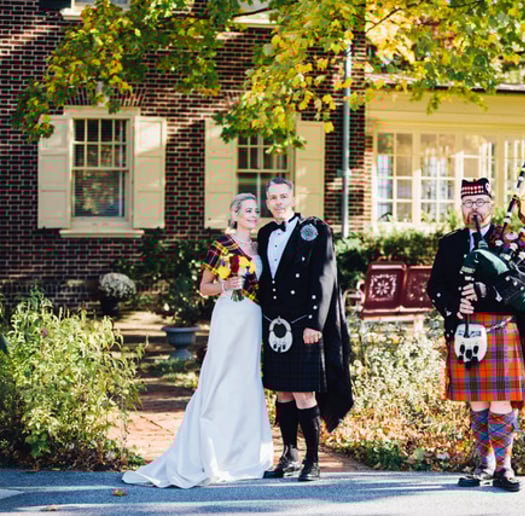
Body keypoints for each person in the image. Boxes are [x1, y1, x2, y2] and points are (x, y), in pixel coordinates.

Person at [122, 193, 273, 488]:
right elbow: (204, 287)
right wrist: (224, 285)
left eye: (256, 211)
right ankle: (211, 449)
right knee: (221, 376)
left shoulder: (259, 246)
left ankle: (244, 453)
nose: (254, 215)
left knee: (246, 377)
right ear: (234, 214)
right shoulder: (221, 246)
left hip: (252, 317)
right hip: (230, 314)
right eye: (248, 211)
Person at [426, 177, 525, 493]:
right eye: (468, 203)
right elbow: (435, 286)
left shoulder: (508, 238)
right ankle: (483, 464)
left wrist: (491, 291)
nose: (474, 209)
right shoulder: (451, 243)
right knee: (478, 399)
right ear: (460, 207)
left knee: (501, 399)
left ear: (492, 205)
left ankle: (504, 466)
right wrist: (454, 304)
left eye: (480, 202)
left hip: (499, 327)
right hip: (465, 328)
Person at [257, 177, 353, 482]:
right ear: (267, 201)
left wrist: (316, 323)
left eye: (284, 196)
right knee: (282, 391)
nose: (278, 202)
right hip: (275, 326)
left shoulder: (314, 230)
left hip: (303, 325)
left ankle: (313, 460)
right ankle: (289, 455)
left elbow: (325, 277)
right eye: (273, 198)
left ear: (293, 198)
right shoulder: (265, 233)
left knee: (303, 393)